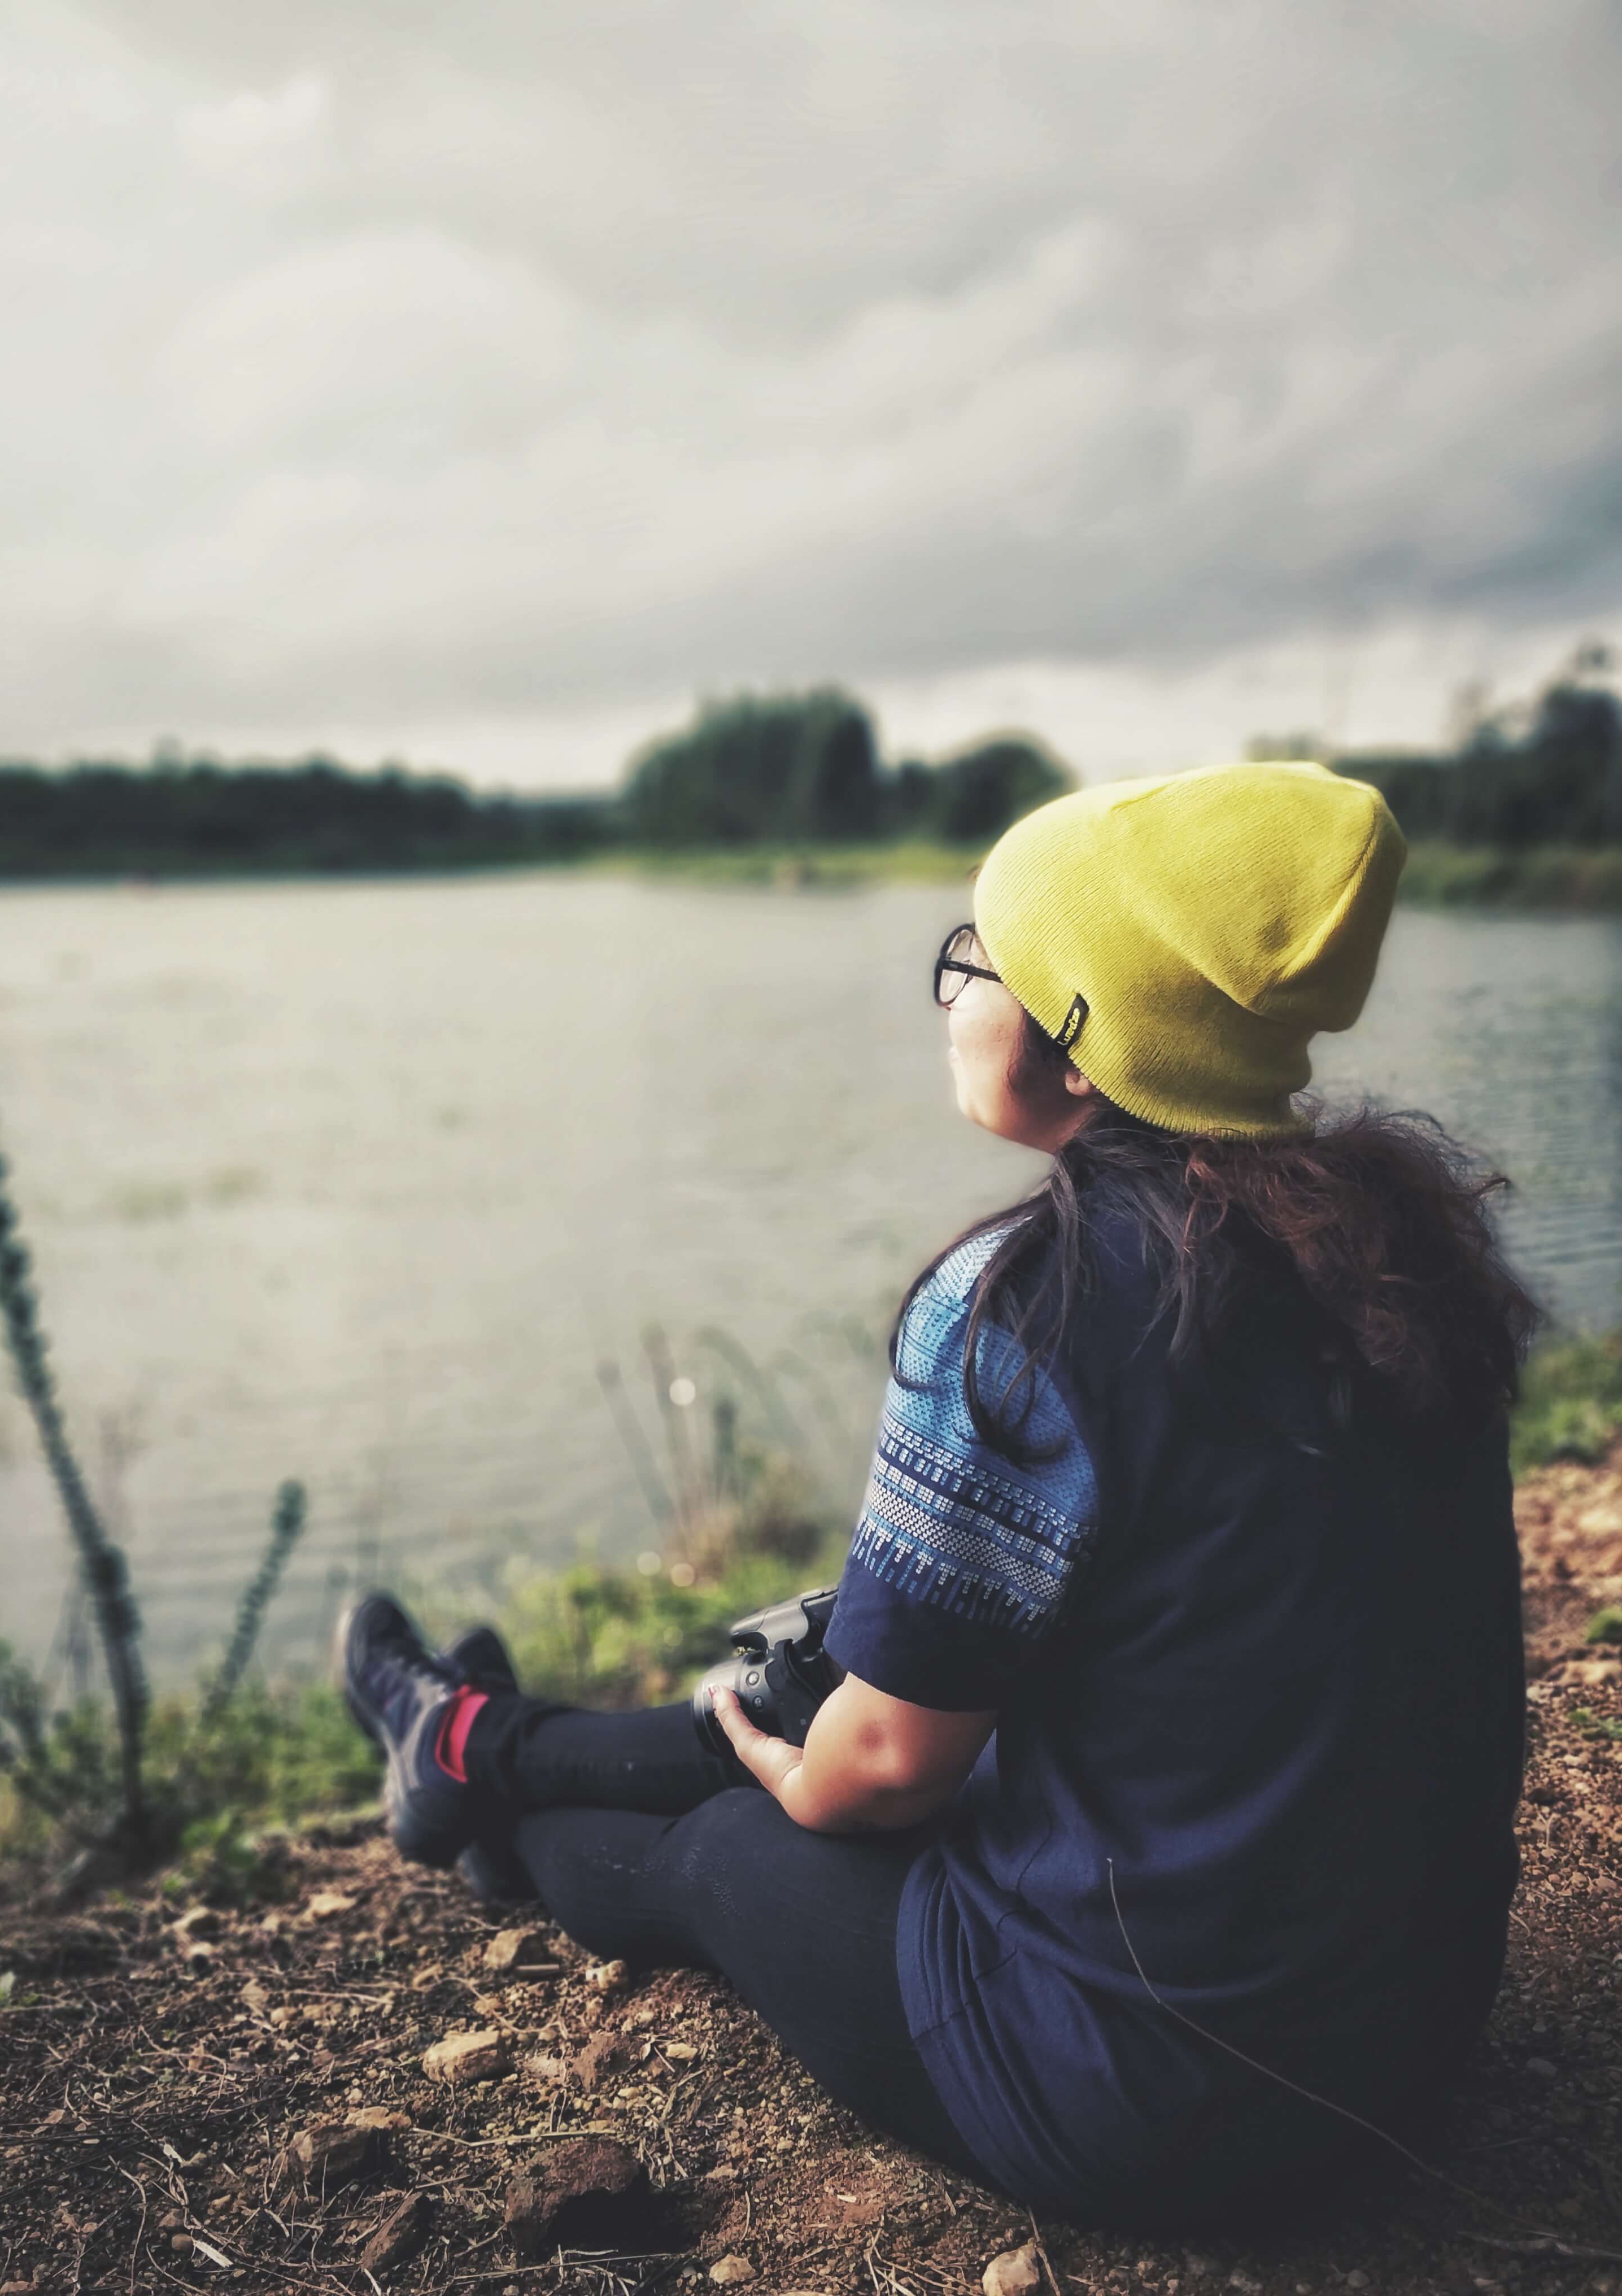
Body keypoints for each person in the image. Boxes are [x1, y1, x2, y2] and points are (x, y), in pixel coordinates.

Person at [339, 759, 1536, 2227]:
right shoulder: (1394, 1253)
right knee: (826, 1688)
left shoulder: (1024, 1309)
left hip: (1170, 2092)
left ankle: (479, 1801)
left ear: (1080, 1042)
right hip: (1406, 2026)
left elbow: (885, 1769)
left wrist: (798, 1781)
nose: (953, 986)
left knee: (735, 1843)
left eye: (972, 958)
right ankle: (459, 1739)